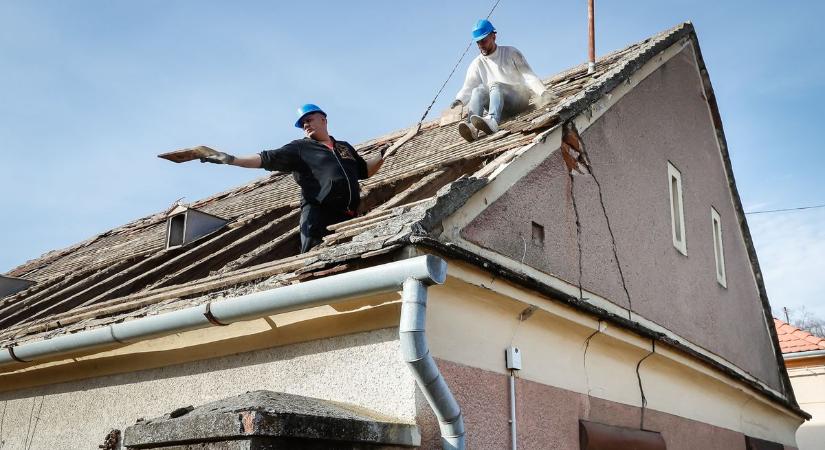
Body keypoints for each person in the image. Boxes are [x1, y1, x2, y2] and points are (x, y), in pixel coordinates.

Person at [197, 104, 385, 253]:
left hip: (347, 215)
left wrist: (382, 156)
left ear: (323, 119)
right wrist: (231, 159)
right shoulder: (300, 148)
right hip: (318, 215)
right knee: (314, 258)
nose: (305, 125)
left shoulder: (344, 147)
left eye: (309, 120)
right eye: (303, 123)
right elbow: (266, 158)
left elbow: (364, 171)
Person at [451, 19, 555, 142]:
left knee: (495, 85)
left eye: (483, 40)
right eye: (478, 42)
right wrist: (459, 100)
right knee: (478, 90)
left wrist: (543, 92)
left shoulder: (511, 52)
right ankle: (472, 128)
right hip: (500, 109)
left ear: (493, 36)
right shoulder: (477, 63)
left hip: (518, 101)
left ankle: (493, 121)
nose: (481, 45)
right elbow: (468, 87)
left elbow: (529, 76)